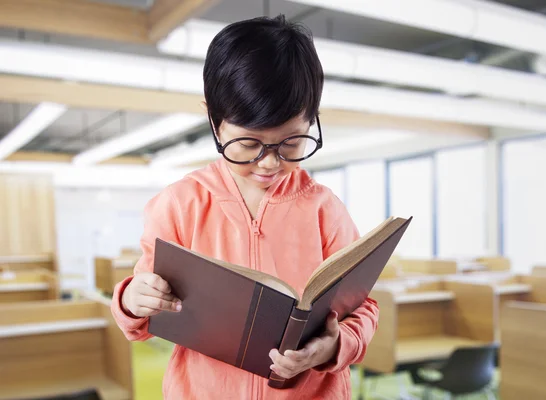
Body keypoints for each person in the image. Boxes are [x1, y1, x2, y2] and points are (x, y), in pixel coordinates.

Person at [111, 14, 379, 400]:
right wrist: (132, 300)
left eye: (291, 143)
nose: (269, 162)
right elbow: (139, 315)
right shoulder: (178, 205)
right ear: (214, 121)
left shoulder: (325, 209)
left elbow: (363, 308)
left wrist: (335, 347)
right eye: (249, 144)